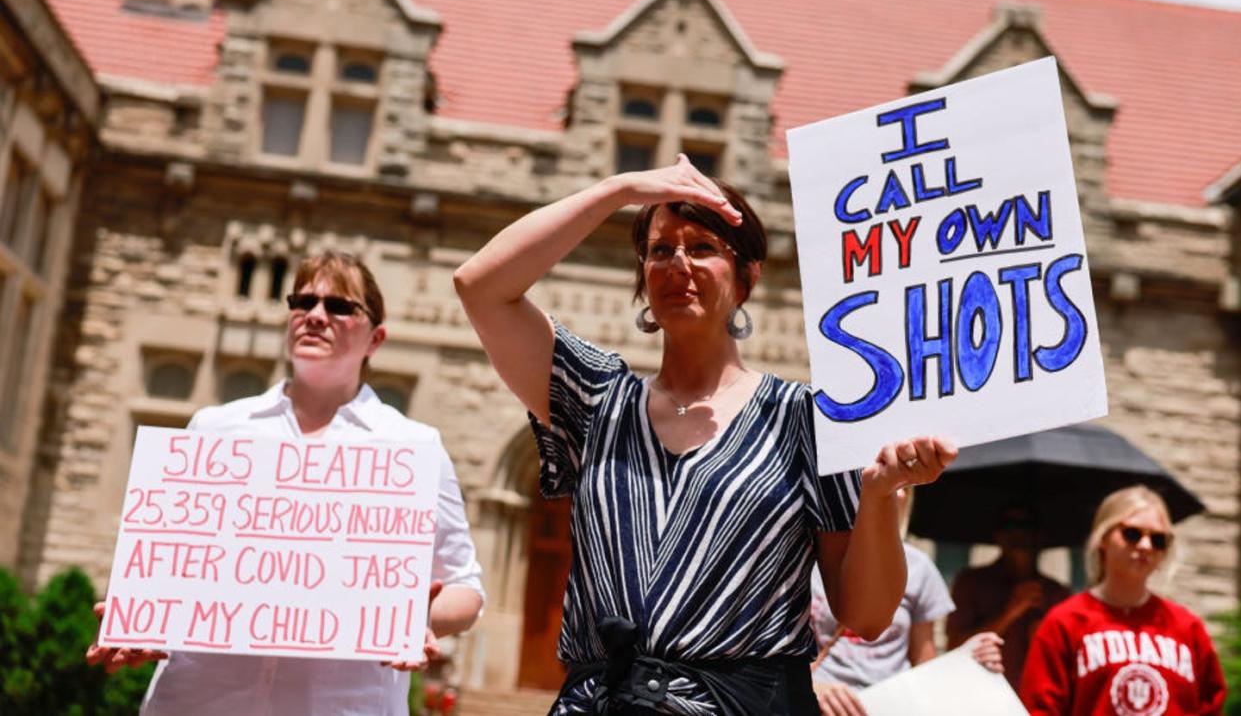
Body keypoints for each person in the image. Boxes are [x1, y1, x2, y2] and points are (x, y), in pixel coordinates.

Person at [453, 154, 957, 714]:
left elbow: (865, 615)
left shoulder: (808, 421)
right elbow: (480, 285)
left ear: (747, 276)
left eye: (703, 248)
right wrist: (620, 189)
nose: (678, 264)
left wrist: (880, 497)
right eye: (660, 250)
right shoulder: (597, 400)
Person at [87, 251, 485, 716]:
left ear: (375, 338)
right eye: (303, 301)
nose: (315, 316)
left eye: (339, 306)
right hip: (198, 701)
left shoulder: (413, 448)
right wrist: (140, 618)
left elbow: (467, 589)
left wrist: (408, 617)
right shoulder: (215, 430)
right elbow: (175, 563)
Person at [1020, 485, 1225, 715]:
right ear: (1102, 538)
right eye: (1132, 534)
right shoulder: (1065, 622)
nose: (1145, 546)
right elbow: (1040, 708)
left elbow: (1211, 706)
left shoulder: (1187, 628)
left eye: (1158, 539)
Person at [811, 487, 1003, 716]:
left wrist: (966, 659)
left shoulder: (920, 567)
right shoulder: (812, 557)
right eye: (887, 483)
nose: (898, 494)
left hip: (886, 707)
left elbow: (924, 665)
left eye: (904, 487)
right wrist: (810, 687)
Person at [946, 503, 1070, 689]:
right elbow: (954, 648)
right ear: (998, 534)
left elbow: (1067, 661)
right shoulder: (971, 583)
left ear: (1039, 535)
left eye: (1026, 526)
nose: (1018, 534)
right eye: (1009, 525)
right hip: (982, 695)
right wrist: (1009, 613)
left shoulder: (1057, 593)